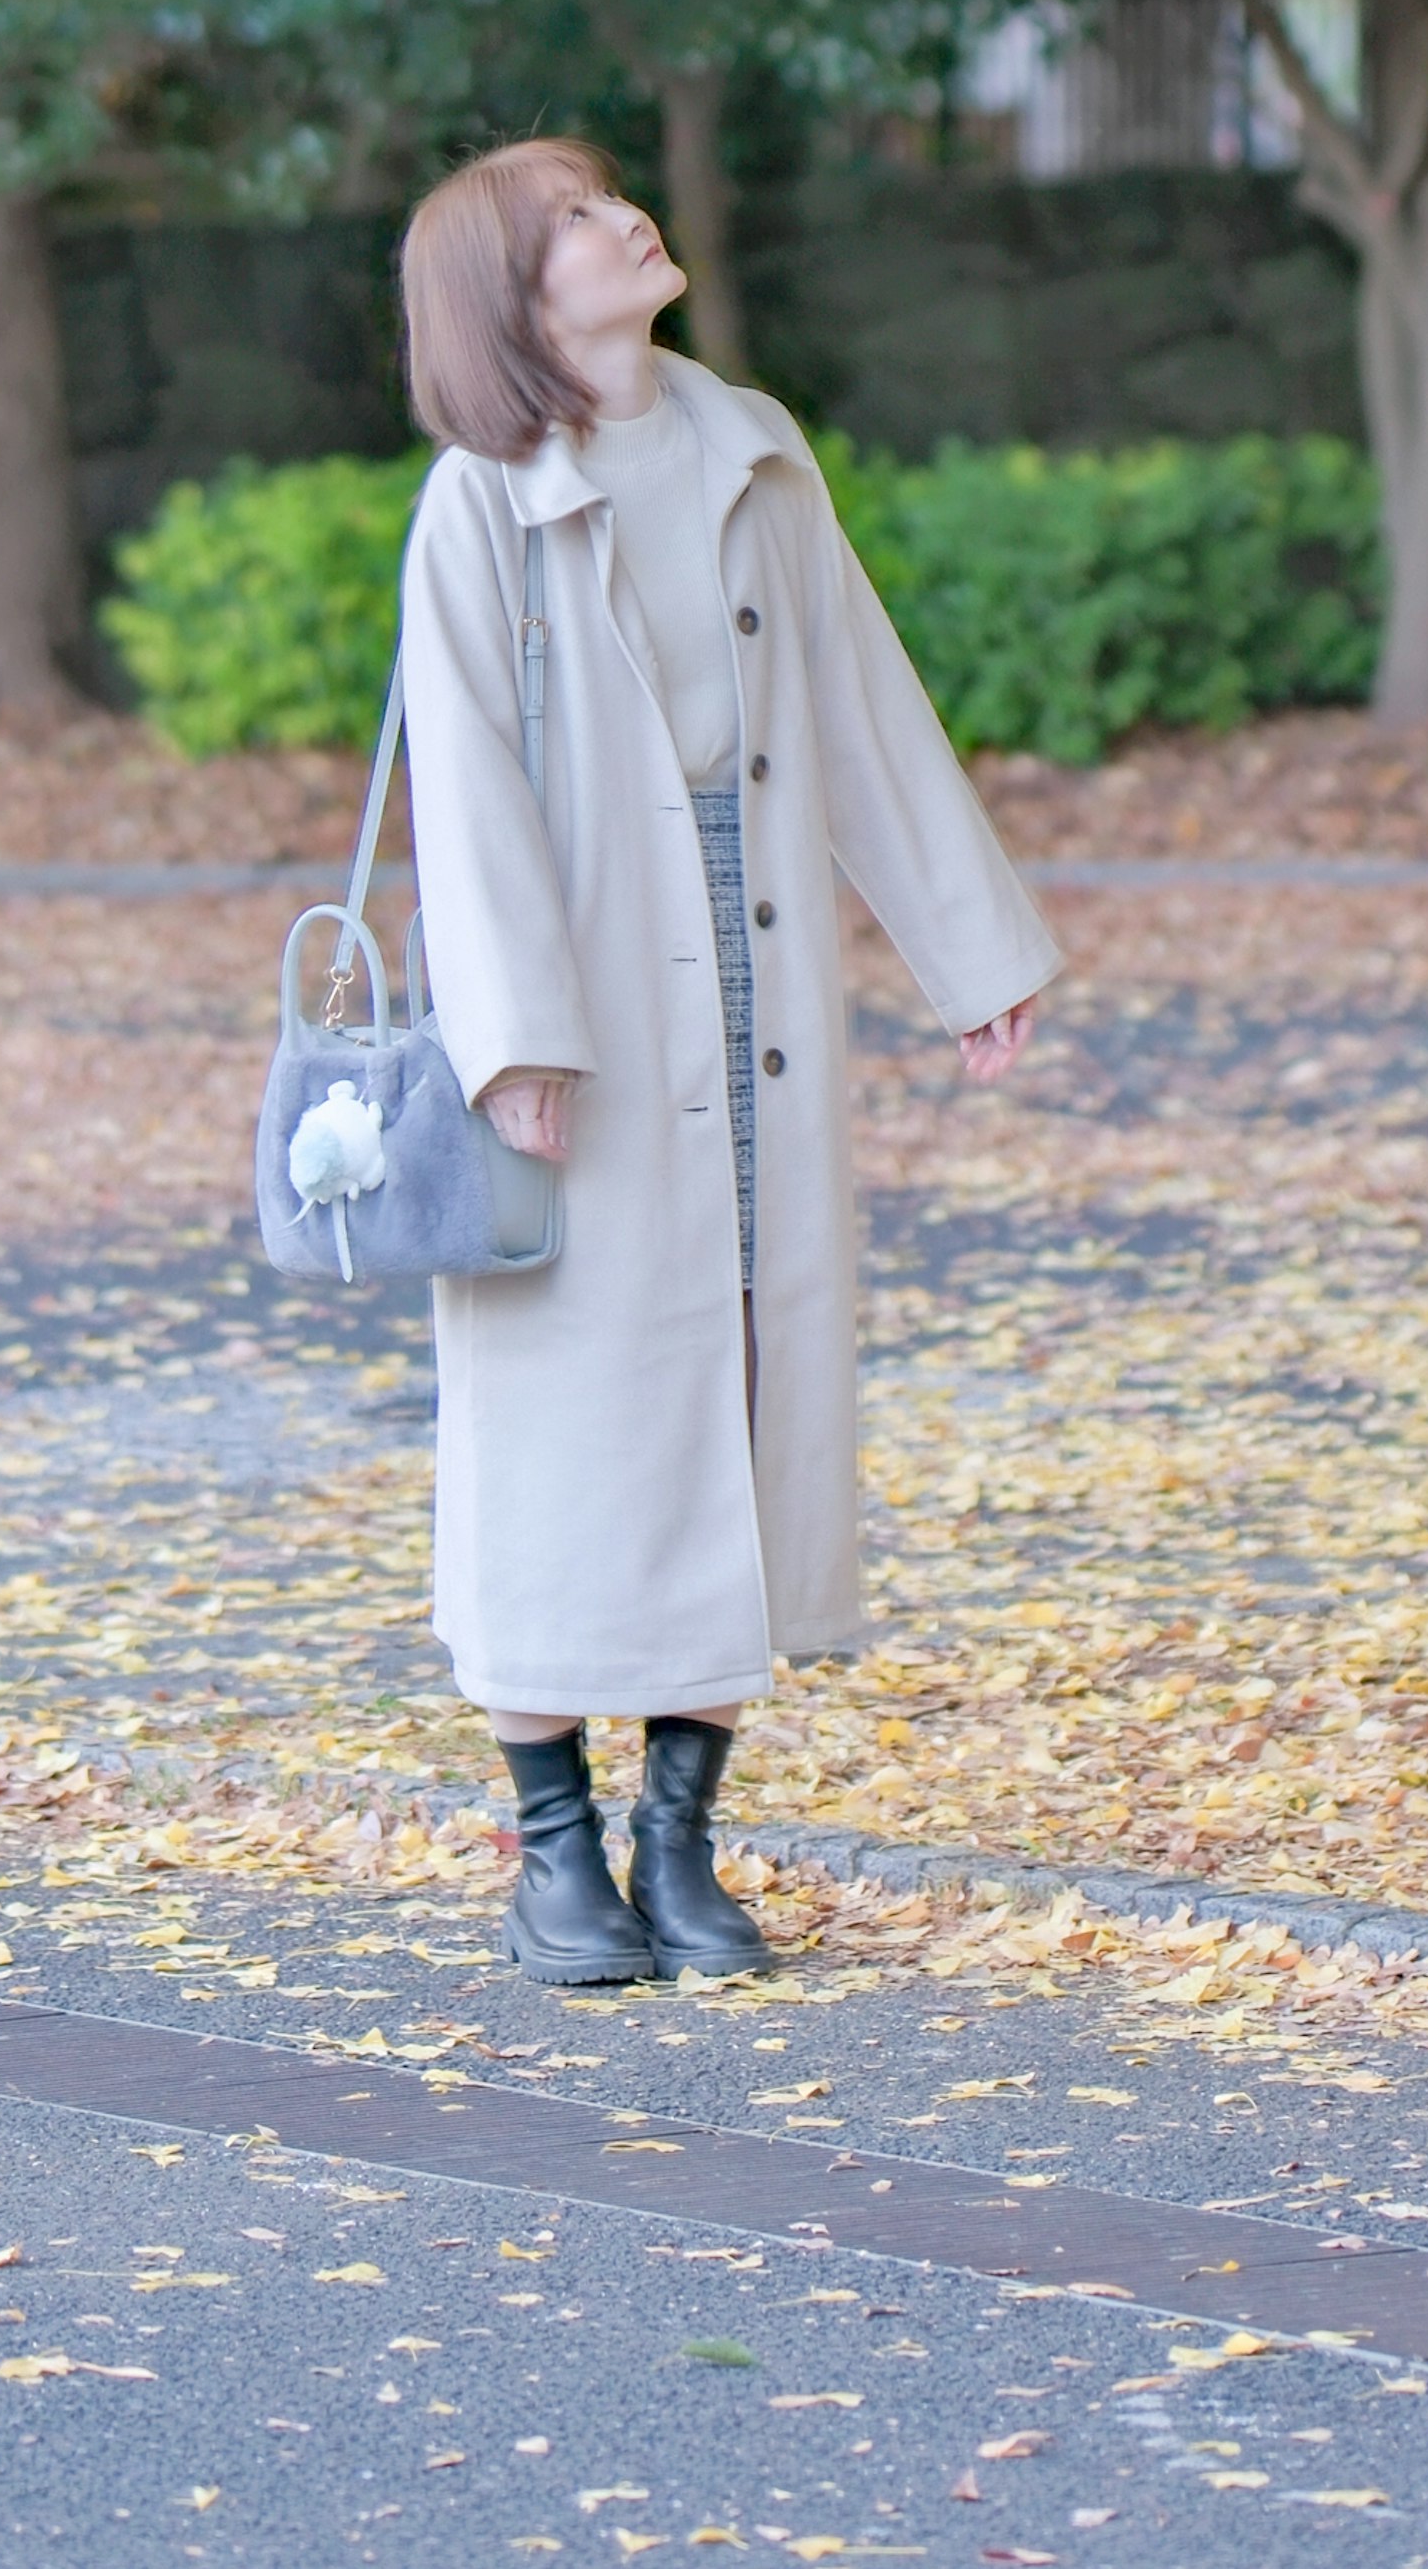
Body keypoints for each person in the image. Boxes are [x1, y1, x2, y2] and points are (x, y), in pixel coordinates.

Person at [392, 138, 1059, 1989]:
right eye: (582, 220)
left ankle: (680, 1845)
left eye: (616, 200)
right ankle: (554, 1855)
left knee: (744, 1387)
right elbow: (464, 794)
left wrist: (968, 949)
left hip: (752, 979)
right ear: (517, 295)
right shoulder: (481, 502)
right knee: (559, 1418)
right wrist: (514, 1035)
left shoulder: (748, 442)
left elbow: (861, 693)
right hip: (580, 1008)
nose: (625, 224)